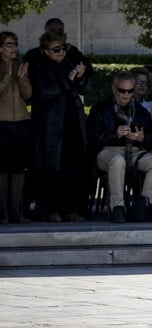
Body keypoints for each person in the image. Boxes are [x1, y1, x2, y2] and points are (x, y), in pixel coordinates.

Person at [86, 72, 152, 223]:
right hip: (107, 151)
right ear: (114, 89)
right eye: (122, 90)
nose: (126, 94)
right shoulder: (100, 109)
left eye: (130, 91)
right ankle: (117, 207)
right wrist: (114, 134)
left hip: (134, 151)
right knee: (117, 160)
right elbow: (92, 138)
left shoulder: (141, 112)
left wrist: (142, 138)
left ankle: (145, 205)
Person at [28, 31, 89, 223]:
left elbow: (86, 89)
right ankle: (51, 210)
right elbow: (46, 93)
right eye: (56, 49)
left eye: (63, 47)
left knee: (74, 166)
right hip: (51, 127)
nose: (61, 52)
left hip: (73, 123)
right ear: (45, 51)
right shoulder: (39, 68)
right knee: (52, 169)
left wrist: (81, 76)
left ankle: (71, 209)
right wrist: (69, 79)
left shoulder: (68, 64)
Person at [0, 32, 31, 224]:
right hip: (1, 123)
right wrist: (6, 76)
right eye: (10, 44)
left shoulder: (21, 65)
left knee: (19, 170)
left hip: (21, 122)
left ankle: (17, 213)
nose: (14, 48)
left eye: (16, 44)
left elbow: (28, 95)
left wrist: (21, 78)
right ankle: (2, 214)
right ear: (0, 47)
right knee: (2, 170)